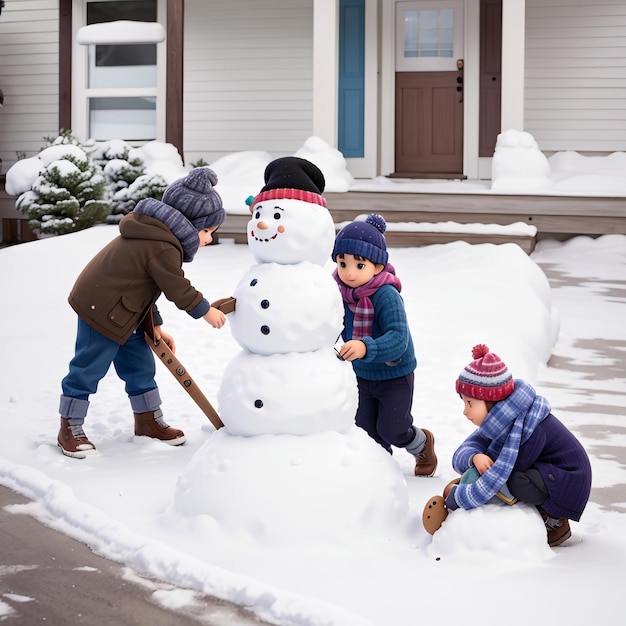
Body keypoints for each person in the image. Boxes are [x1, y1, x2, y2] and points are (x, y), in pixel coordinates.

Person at [57, 167, 227, 459]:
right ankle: (69, 427)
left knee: (140, 367)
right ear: (190, 224)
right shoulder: (162, 246)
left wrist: (154, 326)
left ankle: (148, 421)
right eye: (208, 231)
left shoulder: (156, 238)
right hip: (100, 308)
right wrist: (204, 310)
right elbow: (175, 287)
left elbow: (146, 287)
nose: (209, 239)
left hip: (125, 311)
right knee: (88, 368)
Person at [422, 344, 592, 547]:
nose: (465, 412)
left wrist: (458, 498)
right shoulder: (501, 420)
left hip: (569, 479)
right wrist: (475, 457)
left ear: (491, 402)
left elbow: (500, 475)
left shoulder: (528, 428)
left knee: (516, 483)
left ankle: (555, 519)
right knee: (505, 474)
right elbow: (467, 449)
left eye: (470, 403)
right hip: (548, 472)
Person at [332, 213, 437, 476]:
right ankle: (378, 473)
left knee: (393, 429)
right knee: (366, 430)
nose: (348, 272)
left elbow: (398, 339)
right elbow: (329, 324)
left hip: (394, 373)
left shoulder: (386, 295)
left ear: (377, 266)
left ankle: (421, 443)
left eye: (359, 265)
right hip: (361, 374)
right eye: (342, 263)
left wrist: (366, 347)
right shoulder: (338, 293)